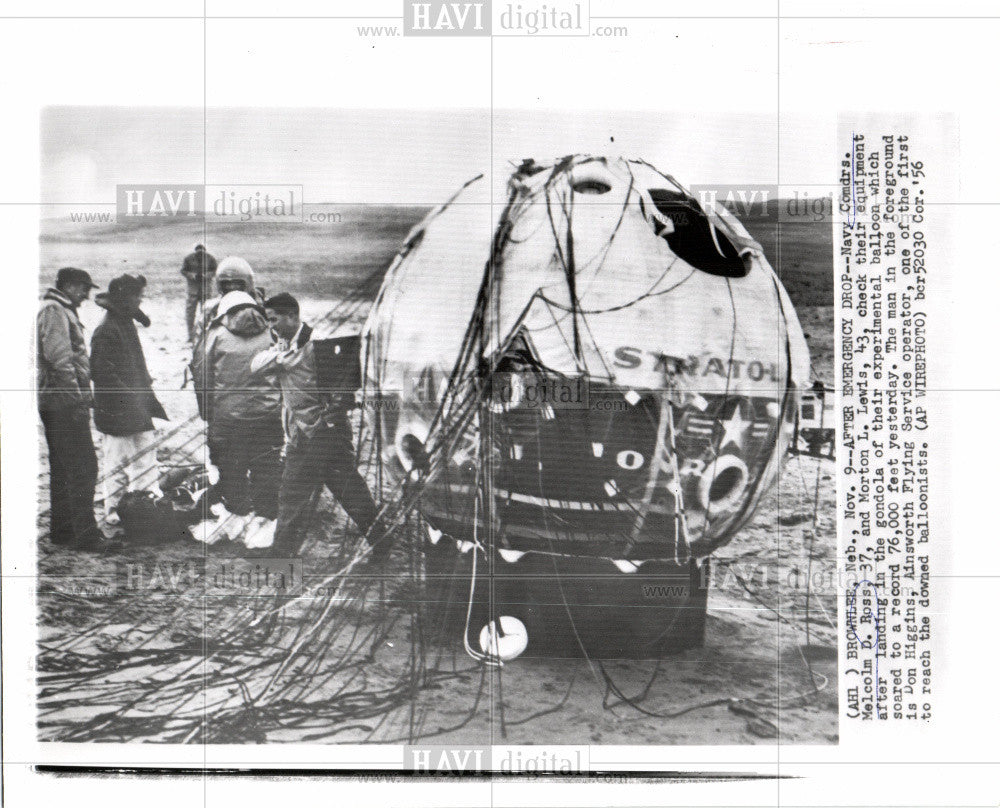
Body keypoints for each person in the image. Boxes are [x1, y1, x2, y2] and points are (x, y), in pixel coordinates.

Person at [251, 293, 381, 559]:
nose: (271, 326)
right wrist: (280, 355)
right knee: (292, 495)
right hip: (302, 436)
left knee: (350, 492)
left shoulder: (318, 345)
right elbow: (255, 366)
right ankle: (280, 555)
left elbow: (343, 384)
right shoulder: (286, 346)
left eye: (274, 319)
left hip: (326, 435)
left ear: (292, 316)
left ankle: (382, 542)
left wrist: (281, 356)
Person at [191, 290, 283, 546]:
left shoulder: (216, 335)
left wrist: (208, 413)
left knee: (232, 472)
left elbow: (202, 375)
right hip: (268, 418)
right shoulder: (272, 332)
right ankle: (264, 530)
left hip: (228, 420)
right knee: (267, 472)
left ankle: (235, 522)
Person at [90, 273, 168, 523]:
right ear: (125, 298)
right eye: (137, 297)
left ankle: (146, 506)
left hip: (137, 407)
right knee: (117, 464)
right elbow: (102, 374)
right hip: (117, 411)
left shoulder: (123, 323)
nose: (140, 302)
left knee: (146, 459)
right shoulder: (106, 330)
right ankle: (113, 511)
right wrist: (133, 396)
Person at [37, 267, 104, 549]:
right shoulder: (54, 311)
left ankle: (63, 532)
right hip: (63, 402)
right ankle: (86, 536)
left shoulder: (57, 309)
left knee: (65, 467)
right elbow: (60, 361)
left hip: (57, 400)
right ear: (69, 286)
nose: (87, 295)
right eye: (84, 288)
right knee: (83, 466)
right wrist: (76, 400)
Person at [181, 244, 217, 343]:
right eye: (198, 252)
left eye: (202, 252)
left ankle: (204, 335)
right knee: (190, 314)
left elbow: (215, 270)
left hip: (206, 290)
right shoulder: (188, 258)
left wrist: (206, 276)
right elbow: (183, 270)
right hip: (193, 290)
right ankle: (191, 335)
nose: (200, 254)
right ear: (195, 251)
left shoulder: (210, 259)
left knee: (206, 313)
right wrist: (193, 276)